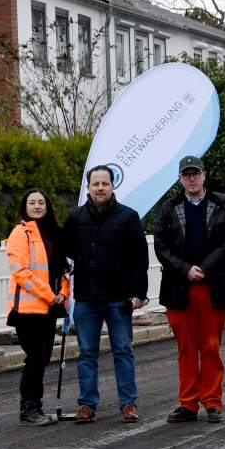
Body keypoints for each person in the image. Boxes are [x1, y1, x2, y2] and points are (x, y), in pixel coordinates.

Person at [154, 155, 225, 424]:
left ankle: (213, 401)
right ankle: (188, 403)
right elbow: (161, 246)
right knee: (186, 348)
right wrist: (185, 269)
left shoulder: (223, 204)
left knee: (211, 346)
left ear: (204, 175)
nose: (191, 179)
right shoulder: (169, 208)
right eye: (186, 174)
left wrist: (204, 267)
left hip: (214, 286)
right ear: (180, 178)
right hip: (178, 288)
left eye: (195, 173)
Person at [63, 165, 149, 425]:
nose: (100, 188)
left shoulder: (128, 217)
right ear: (88, 187)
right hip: (86, 298)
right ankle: (87, 405)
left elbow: (139, 258)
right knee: (87, 353)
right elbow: (65, 255)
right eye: (95, 184)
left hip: (118, 297)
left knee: (122, 351)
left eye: (105, 183)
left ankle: (128, 403)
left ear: (112, 186)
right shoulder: (75, 218)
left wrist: (138, 293)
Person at [5, 189, 70, 427]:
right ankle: (29, 408)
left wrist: (63, 293)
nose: (37, 206)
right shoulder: (19, 233)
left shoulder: (53, 233)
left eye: (41, 202)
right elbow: (21, 272)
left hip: (49, 308)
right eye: (32, 202)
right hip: (27, 310)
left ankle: (36, 406)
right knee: (34, 358)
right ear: (25, 207)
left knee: (42, 358)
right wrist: (49, 295)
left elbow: (64, 270)